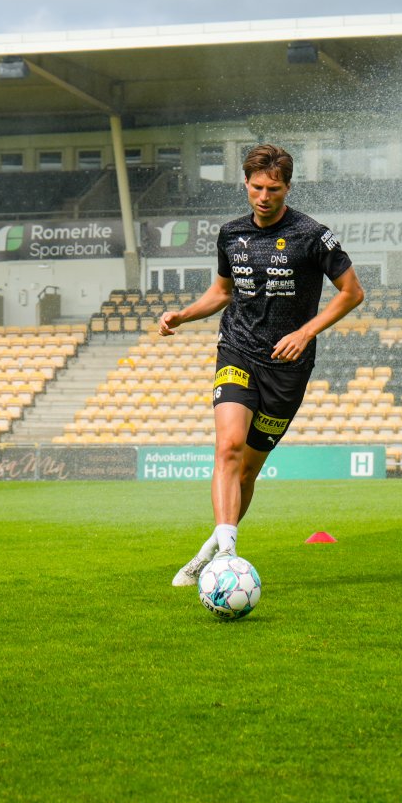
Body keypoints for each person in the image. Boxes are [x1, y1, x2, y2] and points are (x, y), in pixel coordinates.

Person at [161, 143, 364, 586]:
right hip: (237, 350)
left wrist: (306, 331)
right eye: (256, 187)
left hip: (288, 366)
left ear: (287, 187)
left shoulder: (313, 235)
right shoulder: (231, 234)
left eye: (273, 188)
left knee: (249, 469)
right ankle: (228, 555)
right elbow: (221, 293)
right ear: (246, 185)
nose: (264, 196)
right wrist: (183, 314)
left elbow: (352, 292)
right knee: (228, 448)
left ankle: (210, 550)